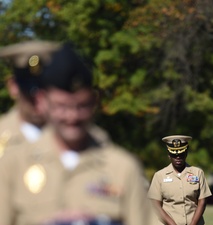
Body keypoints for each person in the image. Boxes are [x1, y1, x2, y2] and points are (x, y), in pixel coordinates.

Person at [0, 43, 153, 225]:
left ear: (93, 103)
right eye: (62, 106)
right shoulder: (12, 164)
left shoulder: (118, 162)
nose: (72, 116)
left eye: (80, 106)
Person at [0, 41, 59, 156]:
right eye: (29, 90)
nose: (38, 97)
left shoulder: (82, 139)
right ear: (13, 87)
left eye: (44, 89)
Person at [148, 135, 212, 225]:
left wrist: (193, 224)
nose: (178, 157)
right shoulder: (159, 175)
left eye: (181, 153)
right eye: (174, 154)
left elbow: (202, 201)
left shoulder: (198, 173)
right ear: (169, 155)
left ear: (186, 153)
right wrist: (172, 224)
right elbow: (155, 204)